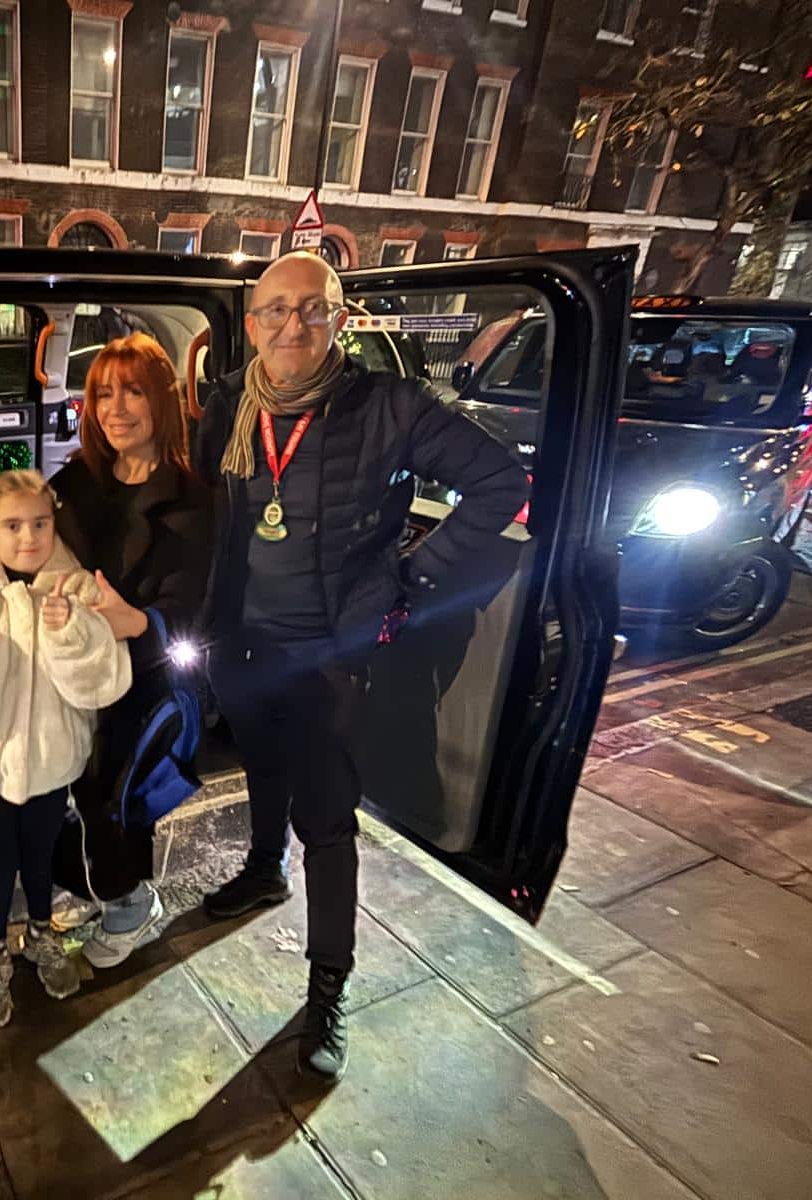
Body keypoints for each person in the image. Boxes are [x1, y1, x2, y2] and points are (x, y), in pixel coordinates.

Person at [196, 251, 528, 1083]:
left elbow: (499, 482)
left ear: (340, 320)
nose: (293, 325)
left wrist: (411, 576)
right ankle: (261, 871)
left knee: (328, 820)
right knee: (261, 767)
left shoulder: (390, 405)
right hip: (243, 641)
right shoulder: (229, 401)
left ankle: (328, 984)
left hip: (332, 655)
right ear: (253, 324)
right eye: (276, 309)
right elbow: (208, 505)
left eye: (312, 308)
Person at [0, 469, 132, 1029]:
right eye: (12, 525)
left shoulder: (76, 586)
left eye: (40, 522)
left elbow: (103, 683)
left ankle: (39, 934)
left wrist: (71, 631)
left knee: (40, 859)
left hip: (52, 766)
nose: (29, 536)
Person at [48, 332, 214, 966]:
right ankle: (94, 886)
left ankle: (130, 903)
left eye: (133, 392)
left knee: (117, 799)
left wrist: (138, 621)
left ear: (161, 402)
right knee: (69, 793)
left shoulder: (195, 498)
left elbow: (196, 608)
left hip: (145, 678)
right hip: (73, 670)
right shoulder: (74, 482)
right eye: (102, 395)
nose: (115, 409)